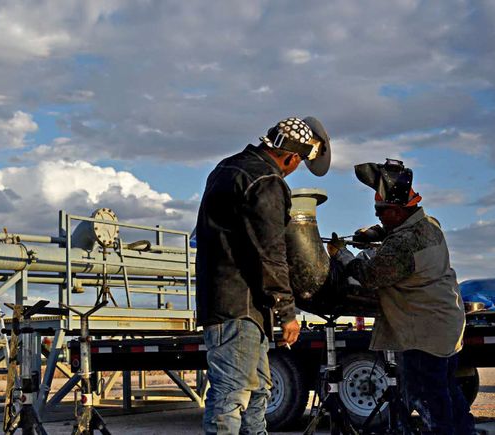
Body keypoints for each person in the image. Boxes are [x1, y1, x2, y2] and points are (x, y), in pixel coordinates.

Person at [196, 116, 332, 434]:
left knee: (257, 393)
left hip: (228, 304)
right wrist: (287, 312)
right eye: (298, 164)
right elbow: (270, 253)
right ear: (292, 157)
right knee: (231, 397)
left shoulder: (226, 168)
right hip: (240, 308)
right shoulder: (267, 181)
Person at [328, 159, 475, 435]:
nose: (378, 217)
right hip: (446, 325)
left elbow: (369, 275)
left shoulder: (403, 244)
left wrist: (342, 255)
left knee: (429, 398)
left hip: (425, 333)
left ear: (396, 210)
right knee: (447, 390)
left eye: (380, 212)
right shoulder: (430, 224)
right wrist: (374, 233)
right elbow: (398, 230)